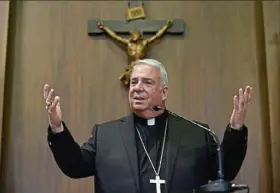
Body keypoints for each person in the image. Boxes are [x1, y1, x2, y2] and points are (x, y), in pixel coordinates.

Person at [44, 58, 252, 193]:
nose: (137, 88)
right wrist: (57, 128)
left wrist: (235, 129)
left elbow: (225, 171)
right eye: (133, 82)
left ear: (164, 92)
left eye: (147, 83)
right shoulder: (106, 135)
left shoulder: (197, 133)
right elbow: (75, 167)